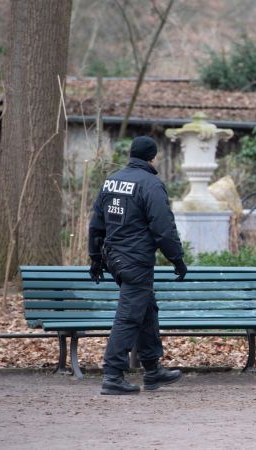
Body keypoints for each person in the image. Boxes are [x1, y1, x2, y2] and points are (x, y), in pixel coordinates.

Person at [88, 136, 188, 395]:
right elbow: (163, 228)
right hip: (135, 259)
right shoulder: (151, 184)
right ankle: (112, 374)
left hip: (114, 257)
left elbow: (97, 222)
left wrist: (95, 257)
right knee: (129, 315)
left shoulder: (112, 180)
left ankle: (153, 370)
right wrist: (177, 259)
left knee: (146, 309)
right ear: (152, 158)